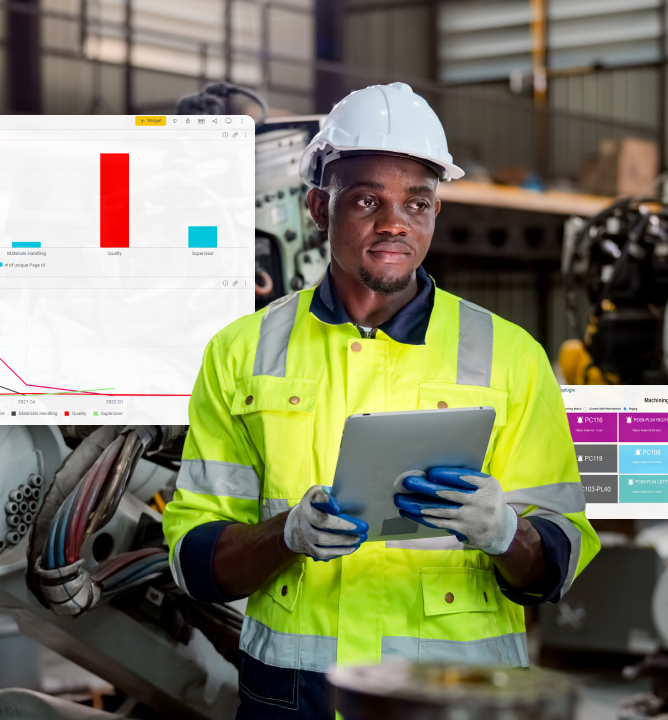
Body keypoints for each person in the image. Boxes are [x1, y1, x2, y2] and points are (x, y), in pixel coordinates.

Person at [162, 82, 597, 719]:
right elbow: (194, 559)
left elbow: (559, 558)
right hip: (293, 695)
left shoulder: (511, 357)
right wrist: (284, 536)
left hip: (456, 696)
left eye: (417, 203)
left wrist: (506, 533)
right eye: (368, 199)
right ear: (317, 206)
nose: (395, 222)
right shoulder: (241, 353)